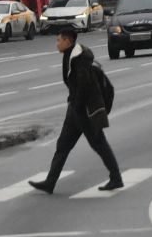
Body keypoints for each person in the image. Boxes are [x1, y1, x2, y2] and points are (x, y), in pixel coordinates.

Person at [30, 27, 122, 195]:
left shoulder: (79, 59)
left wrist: (77, 105)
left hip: (84, 110)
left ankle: (116, 178)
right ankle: (50, 182)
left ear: (68, 41)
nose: (57, 44)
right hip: (75, 110)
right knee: (63, 146)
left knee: (99, 144)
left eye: (59, 40)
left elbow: (84, 85)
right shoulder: (71, 55)